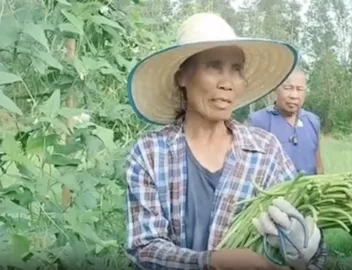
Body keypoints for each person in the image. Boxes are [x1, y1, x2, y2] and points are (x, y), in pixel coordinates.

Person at [125, 12, 327, 270]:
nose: (227, 83)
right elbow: (145, 248)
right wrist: (209, 262)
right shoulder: (150, 154)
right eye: (213, 66)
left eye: (236, 70)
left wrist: (305, 243)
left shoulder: (265, 151)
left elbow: (311, 241)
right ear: (182, 77)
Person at [247, 67, 324, 176]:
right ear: (275, 88)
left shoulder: (312, 121)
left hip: (309, 190)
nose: (294, 95)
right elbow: (250, 168)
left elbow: (319, 167)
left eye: (299, 89)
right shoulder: (259, 121)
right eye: (288, 88)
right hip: (276, 191)